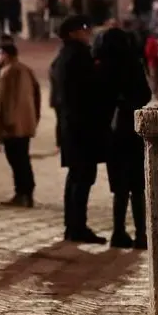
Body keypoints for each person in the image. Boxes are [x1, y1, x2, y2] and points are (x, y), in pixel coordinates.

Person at [94, 27, 151, 249]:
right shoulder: (132, 63)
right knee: (137, 186)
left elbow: (97, 99)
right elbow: (145, 94)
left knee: (119, 187)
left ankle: (118, 232)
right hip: (132, 129)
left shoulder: (101, 67)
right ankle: (141, 234)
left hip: (111, 133)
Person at [52, 15, 107, 244]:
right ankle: (78, 227)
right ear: (73, 32)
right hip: (83, 127)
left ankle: (72, 226)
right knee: (83, 177)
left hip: (69, 126)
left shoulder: (62, 57)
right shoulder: (80, 56)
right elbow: (91, 91)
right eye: (85, 28)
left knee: (75, 176)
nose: (88, 32)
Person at [0, 43, 40, 208]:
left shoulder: (7, 73)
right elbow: (37, 95)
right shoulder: (26, 70)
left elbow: (2, 102)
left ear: (5, 54)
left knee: (16, 160)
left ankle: (22, 193)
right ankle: (27, 192)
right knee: (23, 159)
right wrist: (34, 118)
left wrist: (1, 126)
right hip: (25, 123)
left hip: (11, 126)